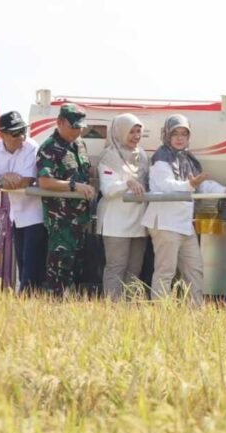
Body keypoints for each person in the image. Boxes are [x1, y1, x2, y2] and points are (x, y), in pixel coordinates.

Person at [141, 114, 226, 304]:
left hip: (183, 224)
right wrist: (189, 185)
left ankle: (195, 314)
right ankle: (158, 317)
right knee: (165, 272)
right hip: (165, 224)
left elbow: (202, 185)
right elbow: (166, 185)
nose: (180, 138)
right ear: (167, 135)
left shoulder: (188, 159)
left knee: (195, 269)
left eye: (184, 133)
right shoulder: (161, 158)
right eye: (175, 133)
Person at [0, 110, 47, 293]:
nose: (21, 137)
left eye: (23, 132)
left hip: (37, 215)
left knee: (32, 268)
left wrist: (0, 182)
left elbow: (25, 180)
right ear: (2, 135)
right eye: (15, 133)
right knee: (22, 263)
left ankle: (27, 299)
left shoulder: (31, 147)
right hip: (16, 217)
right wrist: (1, 181)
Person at [36, 104, 96, 296]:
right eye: (73, 127)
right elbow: (45, 181)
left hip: (81, 219)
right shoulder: (49, 148)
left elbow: (86, 172)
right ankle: (56, 305)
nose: (77, 131)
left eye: (80, 128)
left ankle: (70, 306)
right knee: (59, 268)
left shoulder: (80, 145)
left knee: (77, 267)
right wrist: (73, 186)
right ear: (60, 122)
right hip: (61, 221)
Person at [96, 114, 149, 300]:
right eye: (131, 132)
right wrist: (127, 183)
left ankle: (130, 312)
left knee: (135, 269)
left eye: (138, 131)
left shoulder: (142, 156)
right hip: (115, 222)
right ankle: (113, 310)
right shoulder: (109, 156)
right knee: (116, 267)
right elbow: (107, 190)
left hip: (139, 221)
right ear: (119, 132)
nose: (136, 136)